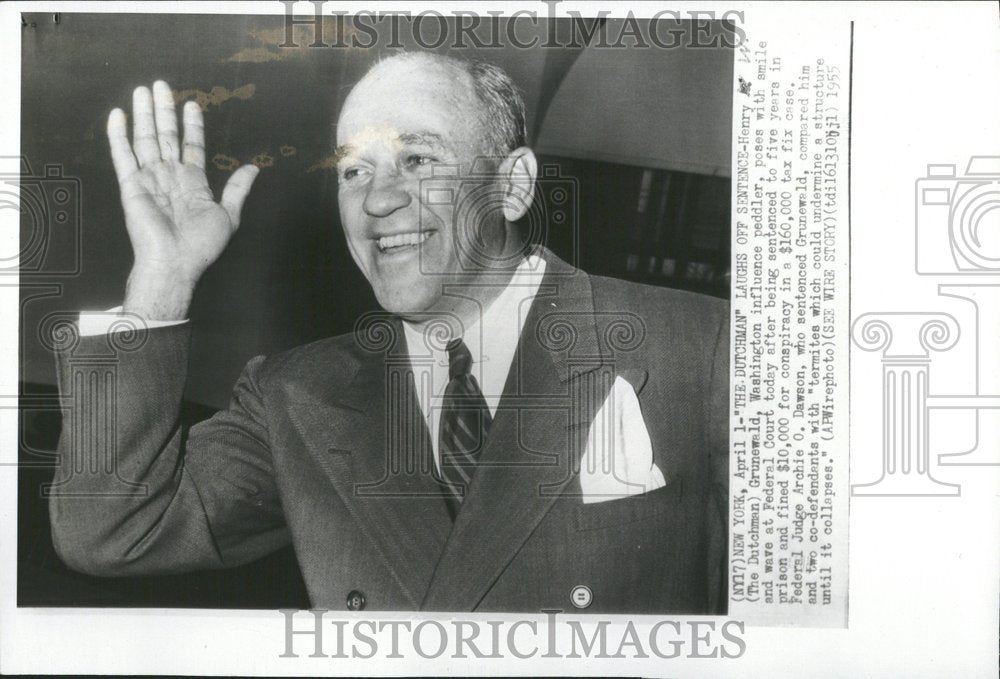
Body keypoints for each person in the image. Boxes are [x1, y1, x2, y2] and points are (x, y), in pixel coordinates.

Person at [49, 52, 730, 614]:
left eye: (418, 160)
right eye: (354, 170)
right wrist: (162, 280)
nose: (377, 200)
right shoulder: (295, 395)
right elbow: (112, 534)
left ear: (514, 185)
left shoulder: (703, 351)